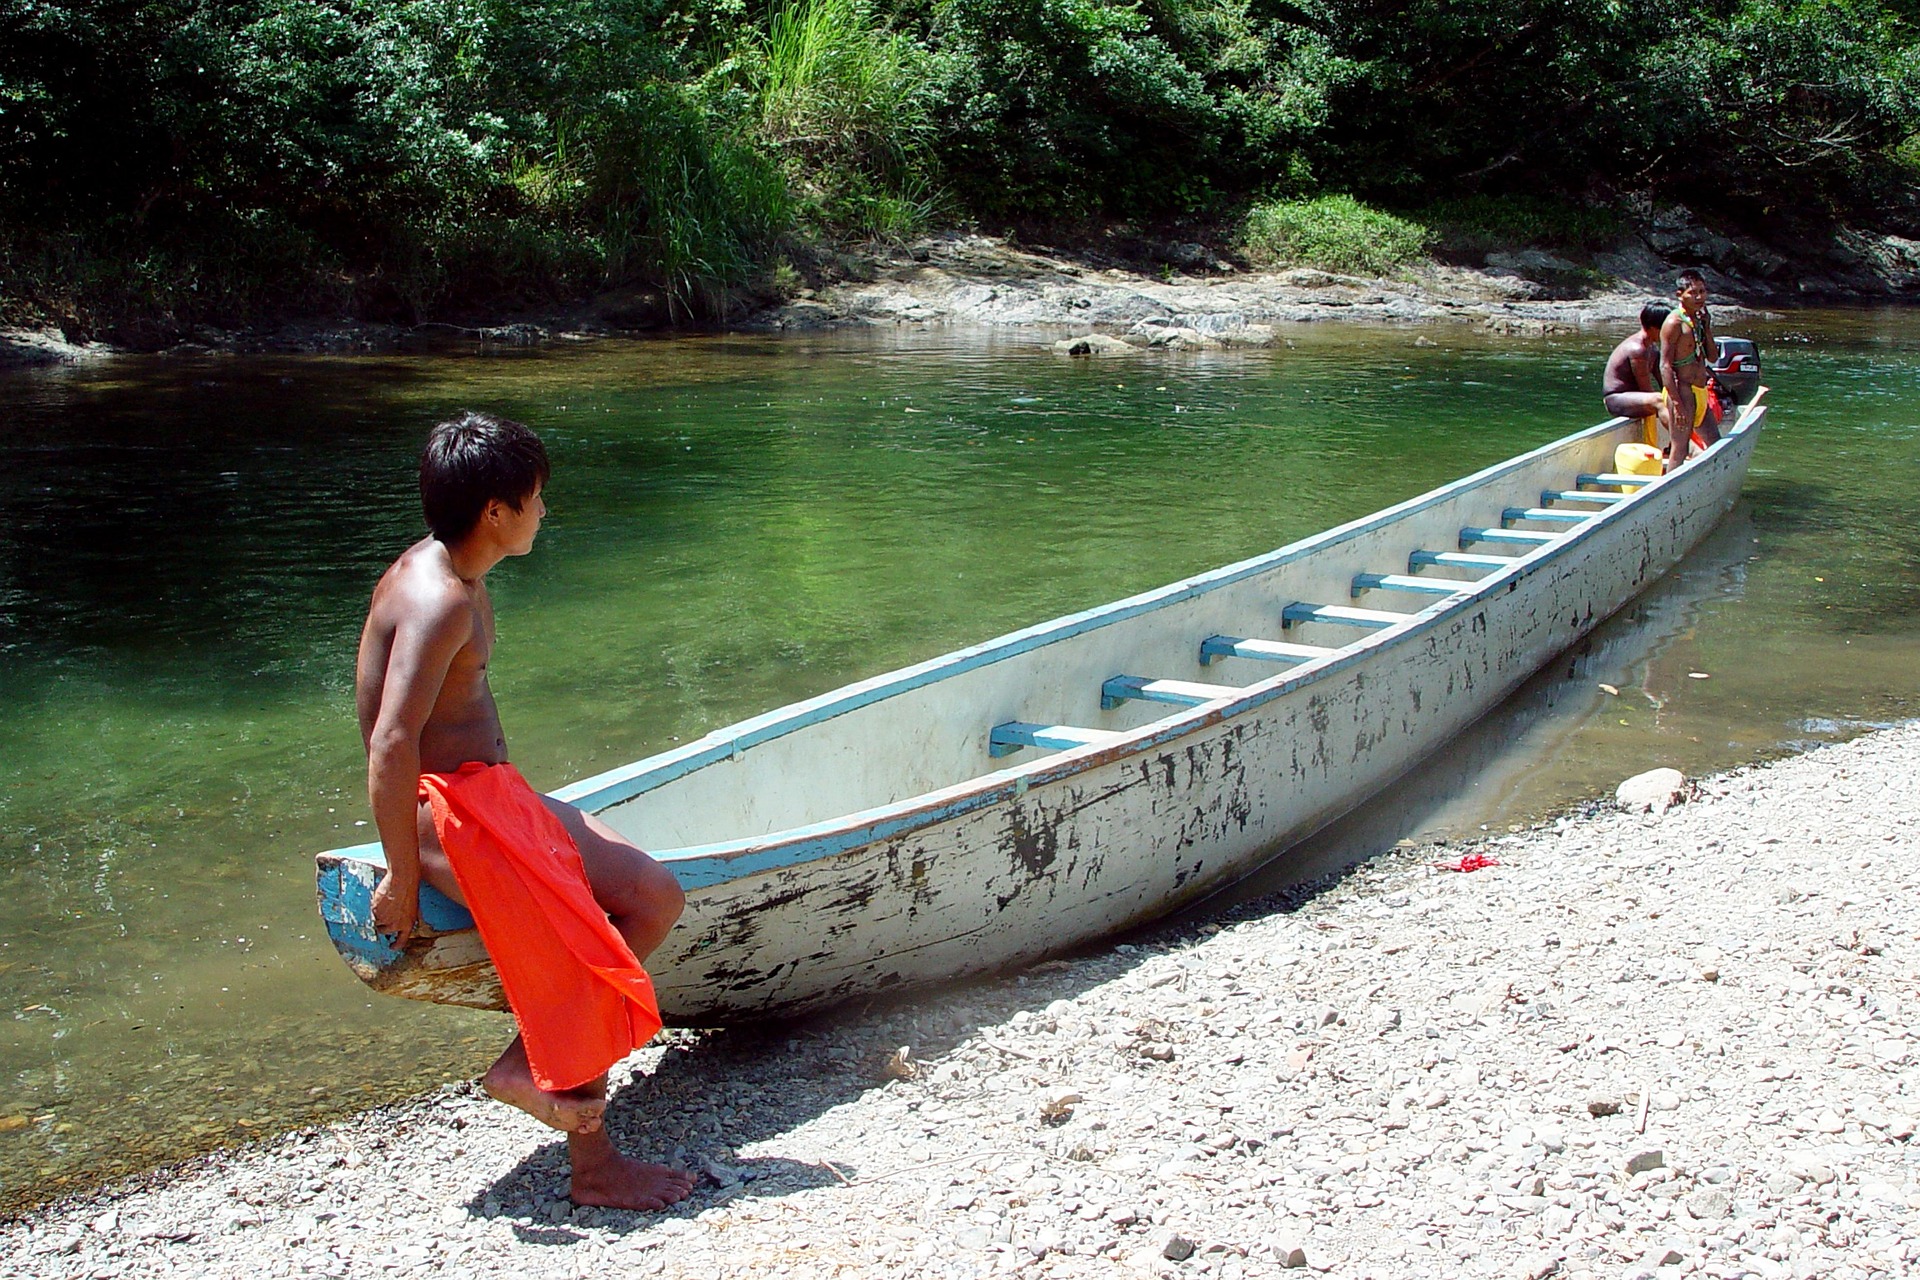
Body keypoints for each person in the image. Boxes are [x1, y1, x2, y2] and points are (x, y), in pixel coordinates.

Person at [355, 410, 693, 1211]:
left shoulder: (458, 576)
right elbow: (392, 744)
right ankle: (594, 1164)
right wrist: (402, 872)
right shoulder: (438, 599)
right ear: (495, 513)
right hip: (451, 809)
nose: (546, 511)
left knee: (653, 896)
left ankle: (522, 1063)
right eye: (537, 498)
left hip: (490, 789)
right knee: (584, 940)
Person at [1658, 268, 1721, 470]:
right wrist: (1676, 403)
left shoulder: (1699, 321)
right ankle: (1667, 495)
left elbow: (1712, 357)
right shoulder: (1674, 323)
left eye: (1702, 292)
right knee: (1680, 449)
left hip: (1700, 391)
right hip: (1682, 393)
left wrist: (1708, 327)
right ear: (1680, 295)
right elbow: (1665, 365)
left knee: (1716, 444)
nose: (1699, 297)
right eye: (1693, 293)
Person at [1602, 302, 1672, 445]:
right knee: (1658, 400)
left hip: (1636, 397)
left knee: (1676, 398)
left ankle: (1675, 445)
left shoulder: (1652, 349)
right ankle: (1688, 445)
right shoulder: (1637, 349)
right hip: (1616, 399)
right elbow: (1645, 389)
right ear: (1654, 328)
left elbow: (1665, 383)